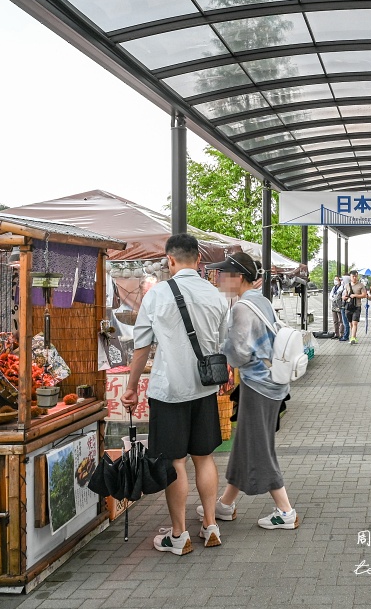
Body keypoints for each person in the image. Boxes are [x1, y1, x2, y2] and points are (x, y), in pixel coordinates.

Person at [122, 233, 229, 555]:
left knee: (175, 462)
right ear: (199, 260)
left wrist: (130, 388)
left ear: (169, 260)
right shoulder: (215, 294)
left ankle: (179, 534)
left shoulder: (157, 296)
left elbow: (141, 348)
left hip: (169, 391)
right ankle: (210, 524)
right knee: (204, 457)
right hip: (204, 388)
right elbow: (220, 344)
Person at [207, 252, 300, 529]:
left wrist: (218, 348)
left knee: (258, 444)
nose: (219, 279)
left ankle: (285, 510)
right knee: (247, 443)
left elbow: (238, 351)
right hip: (272, 383)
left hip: (258, 383)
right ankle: (224, 504)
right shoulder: (261, 301)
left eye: (223, 274)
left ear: (237, 277)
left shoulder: (241, 308)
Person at [344, 270, 367, 344]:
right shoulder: (347, 285)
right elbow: (345, 295)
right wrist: (344, 297)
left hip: (357, 306)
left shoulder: (361, 285)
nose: (354, 278)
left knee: (355, 323)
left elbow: (364, 295)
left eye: (356, 276)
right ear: (350, 277)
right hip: (349, 306)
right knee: (351, 323)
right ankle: (353, 336)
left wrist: (356, 295)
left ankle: (353, 338)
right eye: (353, 276)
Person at [330, 275, 345, 339]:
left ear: (340, 281)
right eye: (334, 279)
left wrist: (334, 298)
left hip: (339, 306)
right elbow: (331, 295)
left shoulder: (342, 288)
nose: (335, 281)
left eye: (336, 279)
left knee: (340, 321)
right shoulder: (334, 287)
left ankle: (341, 334)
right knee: (335, 321)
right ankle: (336, 333)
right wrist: (332, 298)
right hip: (333, 306)